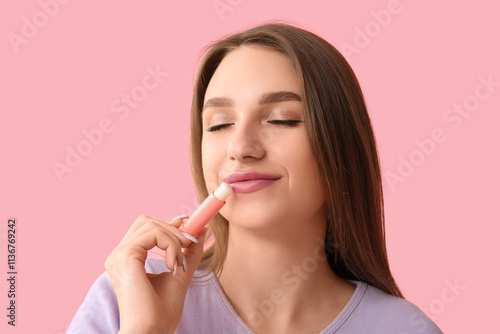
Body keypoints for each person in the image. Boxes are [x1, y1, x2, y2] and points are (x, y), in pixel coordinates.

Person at [67, 22, 443, 334]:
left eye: (282, 119)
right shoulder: (129, 296)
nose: (241, 146)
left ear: (340, 144)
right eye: (219, 124)